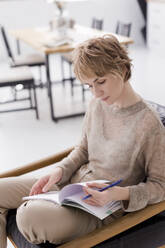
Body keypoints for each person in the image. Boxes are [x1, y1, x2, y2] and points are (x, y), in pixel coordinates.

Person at [1, 34, 165, 248]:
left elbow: (160, 186)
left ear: (123, 70)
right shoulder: (98, 104)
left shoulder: (149, 125)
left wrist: (120, 194)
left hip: (99, 208)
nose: (95, 93)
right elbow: (83, 149)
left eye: (101, 81)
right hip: (72, 185)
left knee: (29, 217)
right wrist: (59, 170)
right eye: (89, 86)